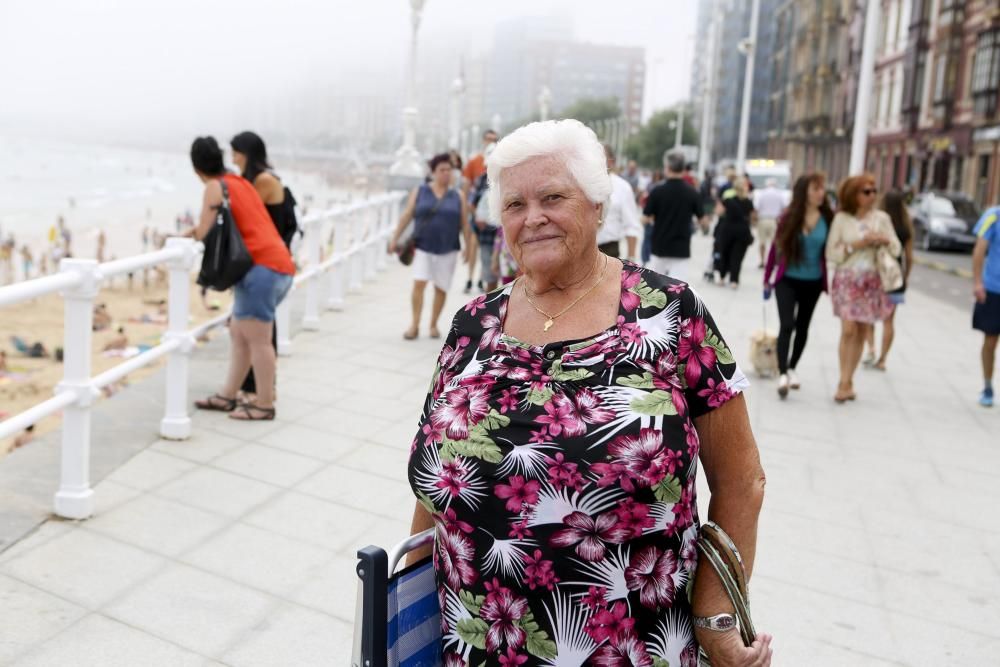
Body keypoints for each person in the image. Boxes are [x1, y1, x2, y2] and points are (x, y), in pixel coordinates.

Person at [405, 119, 772, 666]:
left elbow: (741, 481)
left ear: (597, 204)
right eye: (514, 204)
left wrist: (716, 619)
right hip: (476, 643)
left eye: (553, 197)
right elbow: (436, 482)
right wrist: (404, 614)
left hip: (629, 646)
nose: (533, 218)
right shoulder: (472, 324)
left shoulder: (669, 312)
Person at [186, 136, 295, 420]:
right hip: (277, 266)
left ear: (196, 168)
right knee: (239, 333)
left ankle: (264, 404)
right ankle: (228, 395)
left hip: (261, 271)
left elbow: (204, 231)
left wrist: (185, 235)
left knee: (258, 340)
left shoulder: (214, 187)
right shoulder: (240, 182)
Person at [230, 130, 299, 400]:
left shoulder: (263, 180)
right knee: (256, 327)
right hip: (261, 262)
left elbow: (246, 215)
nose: (233, 157)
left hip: (266, 263)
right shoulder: (255, 179)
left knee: (259, 330)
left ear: (247, 153)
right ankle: (258, 388)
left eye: (236, 152)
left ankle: (262, 391)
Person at [825, 174, 901, 403]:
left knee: (860, 331)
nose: (871, 195)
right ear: (853, 195)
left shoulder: (882, 218)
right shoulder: (842, 219)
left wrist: (884, 240)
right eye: (865, 191)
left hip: (871, 281)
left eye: (874, 190)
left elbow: (896, 249)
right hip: (847, 279)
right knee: (848, 329)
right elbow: (832, 253)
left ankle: (848, 381)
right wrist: (857, 244)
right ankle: (842, 380)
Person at [763, 174, 833, 398]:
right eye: (816, 188)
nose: (821, 193)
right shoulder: (789, 217)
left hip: (813, 282)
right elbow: (776, 248)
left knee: (803, 327)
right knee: (787, 325)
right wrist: (767, 277)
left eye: (822, 188)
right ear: (804, 192)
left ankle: (792, 367)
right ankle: (782, 373)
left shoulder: (828, 218)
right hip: (787, 280)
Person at [389, 153, 472, 340]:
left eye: (449, 170)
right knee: (419, 283)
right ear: (433, 172)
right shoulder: (420, 191)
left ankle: (433, 324)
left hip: (448, 247)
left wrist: (468, 246)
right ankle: (414, 324)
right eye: (442, 170)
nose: (446, 174)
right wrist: (395, 238)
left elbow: (465, 223)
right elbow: (407, 215)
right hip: (423, 246)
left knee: (441, 287)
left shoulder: (458, 196)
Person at [867, 189, 915, 371]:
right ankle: (883, 359)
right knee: (889, 320)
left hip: (876, 273)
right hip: (895, 277)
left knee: (869, 315)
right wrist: (906, 276)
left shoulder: (877, 221)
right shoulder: (905, 225)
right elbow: (910, 256)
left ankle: (870, 349)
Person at [642, 150, 703, 281]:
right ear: (683, 168)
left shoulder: (657, 191)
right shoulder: (692, 192)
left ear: (667, 167)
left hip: (659, 246)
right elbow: (703, 220)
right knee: (678, 290)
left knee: (654, 286)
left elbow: (645, 218)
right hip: (681, 248)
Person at [463, 129, 499, 293]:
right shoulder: (474, 163)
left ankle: (480, 280)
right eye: (488, 138)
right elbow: (467, 190)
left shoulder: (506, 175)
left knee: (498, 265)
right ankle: (471, 278)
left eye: (493, 138)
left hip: (500, 231)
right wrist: (476, 214)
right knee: (475, 250)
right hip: (480, 223)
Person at [972, 204, 1000, 407]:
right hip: (994, 288)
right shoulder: (993, 216)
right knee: (991, 340)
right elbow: (980, 249)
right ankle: (988, 385)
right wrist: (977, 282)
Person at [599, 144, 643, 261]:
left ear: (611, 162)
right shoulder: (578, 185)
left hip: (609, 252)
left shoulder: (622, 187)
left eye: (600, 157)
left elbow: (631, 225)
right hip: (580, 252)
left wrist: (631, 258)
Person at [714, 177, 755, 288]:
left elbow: (718, 212)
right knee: (737, 256)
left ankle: (722, 278)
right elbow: (753, 218)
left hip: (728, 230)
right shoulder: (749, 202)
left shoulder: (728, 200)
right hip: (743, 231)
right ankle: (734, 281)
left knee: (725, 253)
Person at [753, 178, 786, 269]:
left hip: (763, 219)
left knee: (762, 242)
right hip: (775, 220)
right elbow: (784, 208)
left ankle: (762, 261)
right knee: (775, 243)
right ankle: (774, 261)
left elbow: (756, 208)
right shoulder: (779, 194)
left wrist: (754, 220)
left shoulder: (762, 194)